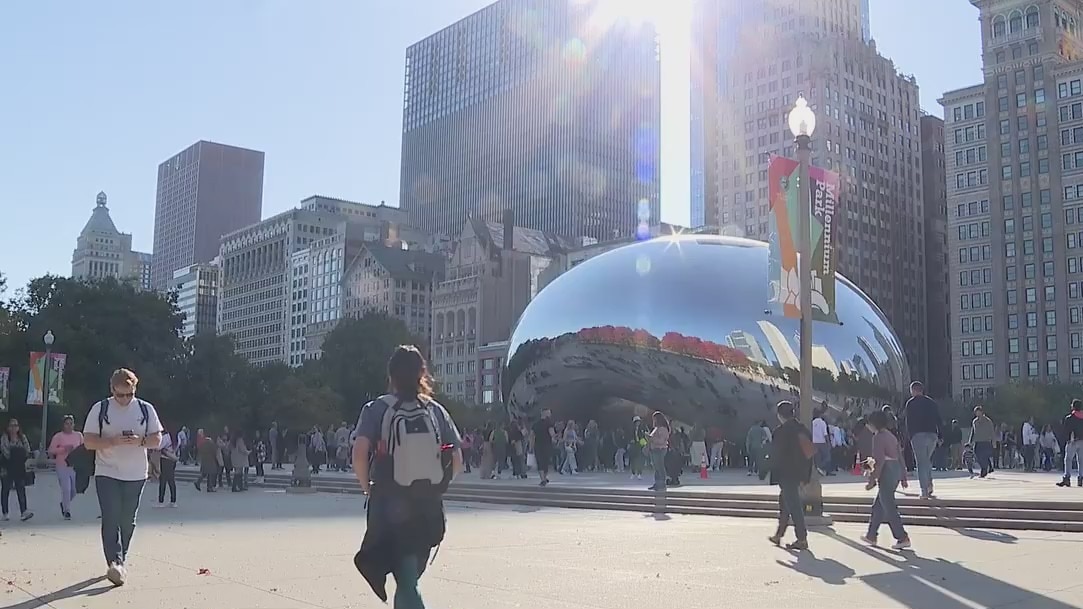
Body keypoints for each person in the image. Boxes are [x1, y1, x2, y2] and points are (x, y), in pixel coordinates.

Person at [352, 345, 463, 609]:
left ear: (390, 376)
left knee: (406, 581)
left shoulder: (376, 408)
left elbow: (359, 452)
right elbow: (457, 458)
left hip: (390, 506)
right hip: (428, 507)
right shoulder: (435, 411)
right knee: (408, 576)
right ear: (422, 375)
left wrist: (367, 486)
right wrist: (437, 484)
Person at [82, 368, 163, 586]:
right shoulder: (101, 409)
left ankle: (121, 558)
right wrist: (112, 442)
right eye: (120, 395)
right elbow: (88, 441)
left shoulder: (146, 409)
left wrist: (140, 441)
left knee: (128, 520)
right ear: (112, 390)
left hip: (136, 473)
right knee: (110, 517)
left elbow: (157, 439)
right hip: (107, 470)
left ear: (135, 389)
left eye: (129, 394)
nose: (125, 399)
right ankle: (114, 562)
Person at [860, 410, 912, 550]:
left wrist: (872, 479)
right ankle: (871, 534)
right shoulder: (891, 436)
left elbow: (879, 460)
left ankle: (902, 536)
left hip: (887, 470)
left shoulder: (878, 437)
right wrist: (903, 475)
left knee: (888, 506)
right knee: (879, 505)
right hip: (895, 469)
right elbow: (900, 456)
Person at [767, 401, 813, 551]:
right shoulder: (803, 430)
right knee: (785, 503)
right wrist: (806, 475)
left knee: (793, 505)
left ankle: (802, 538)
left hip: (786, 473)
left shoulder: (780, 432)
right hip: (799, 472)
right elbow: (809, 454)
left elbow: (776, 455)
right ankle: (779, 534)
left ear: (780, 415)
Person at [902, 381, 941, 499]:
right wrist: (941, 435)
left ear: (913, 390)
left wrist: (909, 436)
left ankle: (924, 490)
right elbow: (938, 419)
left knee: (921, 462)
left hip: (918, 435)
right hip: (932, 435)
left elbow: (908, 421)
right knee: (926, 461)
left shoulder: (910, 403)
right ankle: (929, 485)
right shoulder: (931, 402)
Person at [49, 414, 84, 519]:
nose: (69, 426)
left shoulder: (78, 435)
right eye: (66, 424)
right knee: (66, 489)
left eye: (71, 423)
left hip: (75, 466)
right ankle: (67, 511)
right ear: (63, 425)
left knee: (74, 490)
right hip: (62, 465)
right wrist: (64, 449)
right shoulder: (58, 436)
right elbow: (51, 450)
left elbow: (84, 448)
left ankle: (64, 503)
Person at [1, 418, 34, 522]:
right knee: (6, 489)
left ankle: (24, 511)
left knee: (21, 488)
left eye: (15, 425)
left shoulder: (22, 437)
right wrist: (14, 454)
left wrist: (22, 458)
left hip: (19, 467)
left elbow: (27, 449)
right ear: (7, 427)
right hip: (6, 466)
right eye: (11, 425)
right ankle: (5, 512)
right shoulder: (5, 438)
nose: (13, 428)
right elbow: (5, 450)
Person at [1057, 399, 1083, 487]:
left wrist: (1067, 439)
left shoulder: (1070, 418)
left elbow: (1066, 430)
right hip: (1082, 441)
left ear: (1073, 406)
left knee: (1068, 460)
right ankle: (1081, 479)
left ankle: (1067, 478)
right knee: (1081, 460)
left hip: (1072, 441)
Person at [969, 406, 996, 478]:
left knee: (984, 456)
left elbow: (992, 431)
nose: (977, 413)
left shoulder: (988, 421)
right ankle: (986, 467)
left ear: (981, 412)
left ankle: (984, 471)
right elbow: (973, 431)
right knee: (977, 457)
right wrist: (970, 441)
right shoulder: (975, 421)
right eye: (976, 412)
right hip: (977, 442)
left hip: (986, 441)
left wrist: (994, 442)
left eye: (979, 412)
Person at [648, 411, 670, 492]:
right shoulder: (656, 428)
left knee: (660, 467)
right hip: (654, 449)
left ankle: (662, 483)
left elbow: (661, 440)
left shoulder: (663, 429)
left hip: (660, 449)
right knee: (656, 467)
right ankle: (657, 483)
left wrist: (652, 439)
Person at [532, 410, 555, 487]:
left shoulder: (535, 424)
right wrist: (555, 438)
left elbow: (532, 436)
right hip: (547, 445)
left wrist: (530, 446)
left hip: (538, 445)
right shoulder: (549, 424)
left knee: (540, 462)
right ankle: (544, 478)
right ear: (546, 414)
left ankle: (542, 479)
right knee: (546, 462)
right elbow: (552, 434)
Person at [156, 429, 178, 507]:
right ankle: (173, 500)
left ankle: (161, 501)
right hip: (172, 459)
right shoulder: (177, 437)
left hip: (165, 459)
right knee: (171, 480)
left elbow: (159, 447)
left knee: (163, 480)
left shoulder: (166, 437)